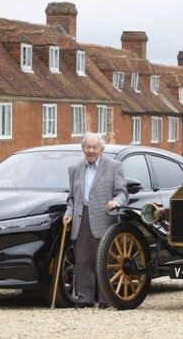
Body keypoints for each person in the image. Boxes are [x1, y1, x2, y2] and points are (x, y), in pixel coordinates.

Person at [62, 132, 128, 309]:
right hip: (80, 217)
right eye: (87, 147)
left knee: (104, 259)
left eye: (94, 147)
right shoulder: (74, 169)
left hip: (104, 217)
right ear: (82, 148)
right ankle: (84, 298)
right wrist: (68, 211)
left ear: (101, 149)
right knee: (82, 260)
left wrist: (116, 202)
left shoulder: (114, 166)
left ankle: (105, 298)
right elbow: (71, 198)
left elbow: (123, 193)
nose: (91, 151)